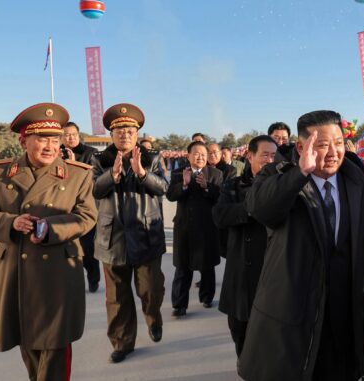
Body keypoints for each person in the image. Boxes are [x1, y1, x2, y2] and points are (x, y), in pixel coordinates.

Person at [239, 110, 364, 381]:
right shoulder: (279, 176)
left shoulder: (361, 182)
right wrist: (299, 174)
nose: (332, 152)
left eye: (338, 143)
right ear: (300, 146)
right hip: (297, 307)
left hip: (348, 304)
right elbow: (261, 209)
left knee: (345, 369)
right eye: (321, 144)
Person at [0, 103, 98, 381]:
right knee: (28, 344)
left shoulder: (78, 173)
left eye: (55, 139)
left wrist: (50, 228)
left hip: (58, 274)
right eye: (42, 138)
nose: (50, 146)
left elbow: (87, 216)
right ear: (23, 141)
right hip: (16, 273)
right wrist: (9, 223)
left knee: (54, 347)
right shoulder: (0, 173)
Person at [91, 103, 168, 364]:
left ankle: (153, 319)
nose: (125, 134)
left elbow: (163, 188)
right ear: (111, 135)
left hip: (146, 233)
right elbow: (93, 190)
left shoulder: (152, 158)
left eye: (130, 130)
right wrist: (110, 176)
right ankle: (122, 342)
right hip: (112, 237)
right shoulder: (99, 160)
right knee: (117, 297)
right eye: (119, 130)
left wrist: (142, 173)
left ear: (137, 135)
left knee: (151, 290)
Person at [212, 135, 277, 357]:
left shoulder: (283, 185)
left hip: (274, 268)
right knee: (241, 330)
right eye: (264, 155)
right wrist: (253, 208)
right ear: (250, 156)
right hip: (242, 270)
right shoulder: (233, 185)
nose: (270, 160)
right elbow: (220, 215)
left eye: (273, 156)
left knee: (273, 332)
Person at [166, 141, 223, 317]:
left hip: (207, 227)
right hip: (184, 227)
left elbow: (220, 196)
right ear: (188, 155)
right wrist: (183, 184)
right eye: (196, 154)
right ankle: (179, 305)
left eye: (204, 155)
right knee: (182, 266)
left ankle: (206, 297)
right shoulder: (178, 173)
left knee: (207, 265)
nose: (200, 157)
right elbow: (170, 195)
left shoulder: (215, 174)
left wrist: (207, 186)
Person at [61, 121, 101, 293]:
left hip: (85, 207)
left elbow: (91, 179)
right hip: (63, 207)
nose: (70, 138)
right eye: (66, 135)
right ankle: (70, 280)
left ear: (79, 135)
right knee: (66, 248)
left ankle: (93, 278)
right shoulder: (56, 153)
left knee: (87, 248)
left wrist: (71, 164)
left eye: (73, 134)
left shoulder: (90, 153)